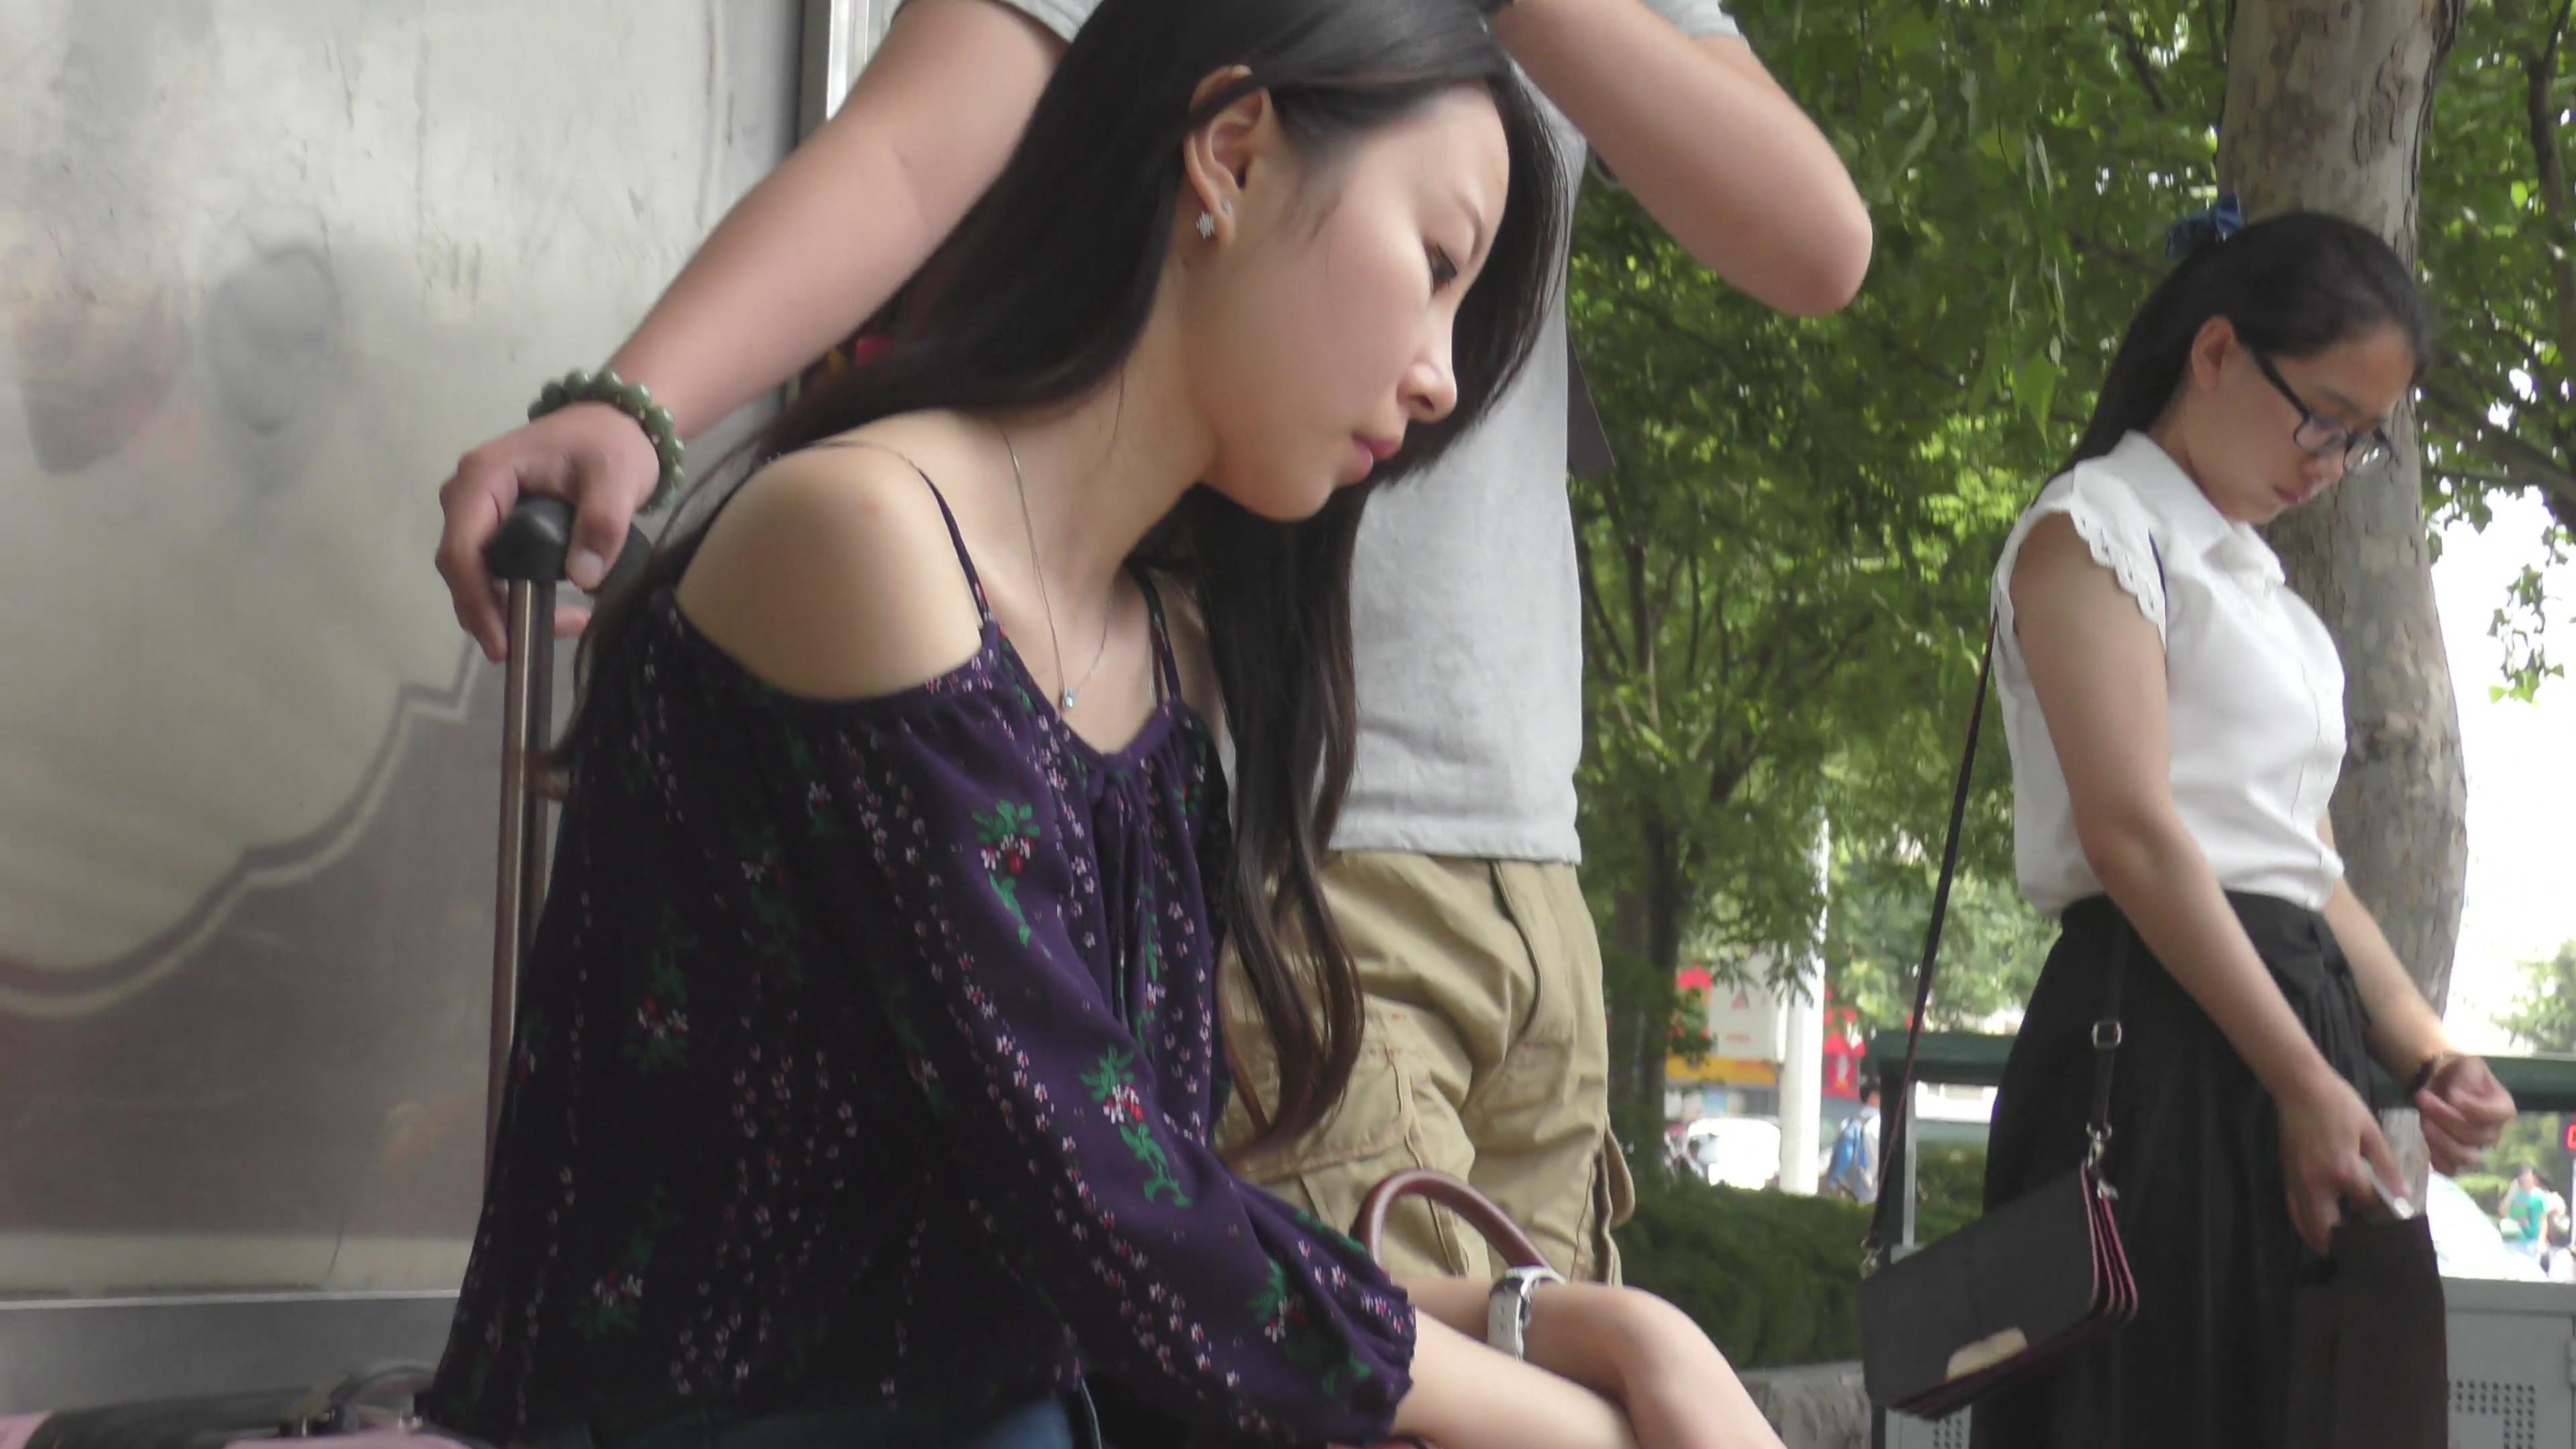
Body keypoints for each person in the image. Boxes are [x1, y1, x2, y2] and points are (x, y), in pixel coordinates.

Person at [418, 4, 1784, 1448]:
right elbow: (1129, 1238)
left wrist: (1595, 1329)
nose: (1441, 375)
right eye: (1437, 265)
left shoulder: (1164, 661)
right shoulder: (868, 540)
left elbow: (1154, 1235)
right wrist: (1600, 1420)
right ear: (1234, 156)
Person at [1969, 208, 2518, 1449]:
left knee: (2310, 1404)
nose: (2330, 462)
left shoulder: (2270, 593)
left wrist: (2426, 1057)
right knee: (2162, 1403)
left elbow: (2309, 870)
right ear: (2215, 352)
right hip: (2154, 1037)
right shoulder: (2094, 527)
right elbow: (2133, 834)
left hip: (2291, 1031)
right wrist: (2305, 1079)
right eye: (2321, 417)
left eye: (2362, 440)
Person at [1823, 1081, 1879, 1205]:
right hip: (1870, 1192)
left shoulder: (1849, 1121)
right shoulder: (1878, 1124)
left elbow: (1834, 1153)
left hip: (1848, 1190)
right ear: (1873, 1097)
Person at [2502, 1165, 2551, 1259]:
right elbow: (2503, 1211)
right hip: (2514, 1241)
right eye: (2524, 1176)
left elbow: (2543, 1220)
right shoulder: (2515, 1195)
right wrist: (2511, 1192)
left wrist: (2542, 1240)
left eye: (2529, 1176)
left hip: (2533, 1242)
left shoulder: (2539, 1196)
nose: (2527, 1179)